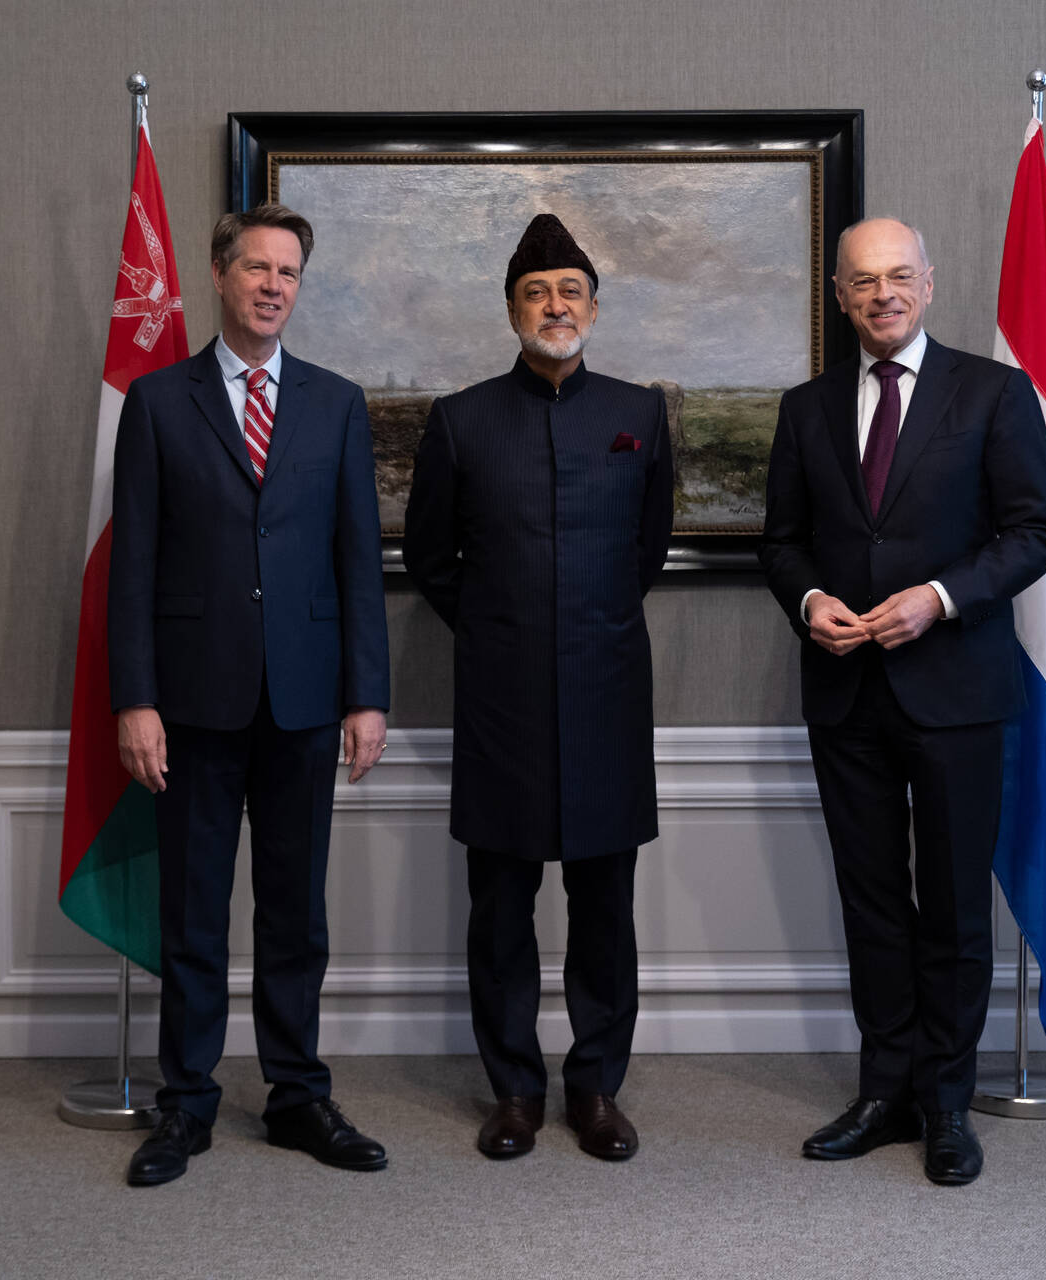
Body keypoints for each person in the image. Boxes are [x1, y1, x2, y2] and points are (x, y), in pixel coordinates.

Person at [758, 217, 1046, 1186]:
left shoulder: (994, 393)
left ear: (928, 284)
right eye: (863, 280)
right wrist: (809, 600)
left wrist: (937, 597)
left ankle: (946, 1101)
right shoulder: (805, 409)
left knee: (954, 911)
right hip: (846, 692)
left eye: (899, 275)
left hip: (959, 692)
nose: (882, 293)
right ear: (840, 296)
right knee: (873, 904)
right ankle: (884, 1090)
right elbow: (781, 542)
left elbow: (1036, 532)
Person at [107, 203, 391, 1186]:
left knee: (295, 915)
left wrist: (368, 695)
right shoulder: (158, 401)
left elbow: (359, 559)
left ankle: (298, 1095)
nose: (274, 286)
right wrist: (134, 698)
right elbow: (132, 568)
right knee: (193, 914)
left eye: (289, 272)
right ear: (221, 274)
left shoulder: (336, 403)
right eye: (258, 267)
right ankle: (185, 1103)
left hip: (307, 700)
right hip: (190, 701)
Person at [403, 213, 674, 1162]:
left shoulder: (640, 414)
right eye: (535, 293)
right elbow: (431, 558)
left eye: (570, 292)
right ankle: (514, 1089)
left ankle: (596, 1087)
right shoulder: (461, 418)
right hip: (501, 705)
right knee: (499, 913)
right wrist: (500, 631)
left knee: (605, 911)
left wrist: (587, 624)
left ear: (594, 307)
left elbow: (647, 550)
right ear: (512, 311)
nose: (554, 306)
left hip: (609, 696)